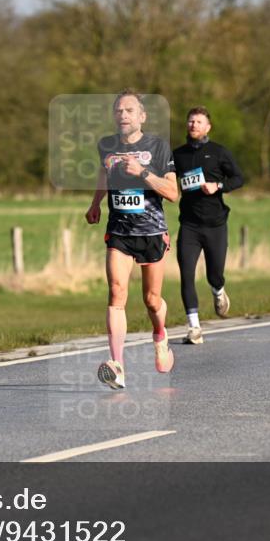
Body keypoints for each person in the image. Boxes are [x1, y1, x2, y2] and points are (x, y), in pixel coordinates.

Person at [85, 91, 179, 389]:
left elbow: (173, 193)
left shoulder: (158, 147)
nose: (122, 114)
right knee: (116, 294)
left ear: (142, 116)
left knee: (152, 301)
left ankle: (160, 335)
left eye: (129, 110)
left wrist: (143, 173)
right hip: (120, 232)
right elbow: (103, 174)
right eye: (118, 110)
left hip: (151, 232)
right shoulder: (106, 146)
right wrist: (96, 203)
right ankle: (117, 366)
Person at [172, 107, 246, 344]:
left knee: (214, 274)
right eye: (190, 121)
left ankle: (218, 290)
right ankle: (194, 327)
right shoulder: (178, 155)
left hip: (215, 224)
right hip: (189, 225)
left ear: (207, 127)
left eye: (198, 121)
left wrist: (219, 186)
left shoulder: (218, 152)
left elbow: (239, 178)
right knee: (186, 275)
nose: (193, 125)